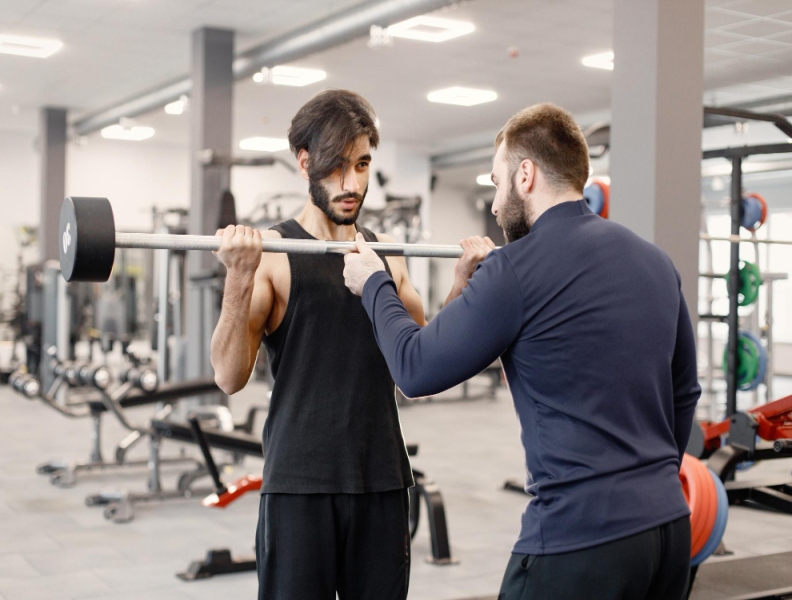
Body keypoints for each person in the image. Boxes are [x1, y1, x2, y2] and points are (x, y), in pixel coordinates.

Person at [343, 103, 701, 600]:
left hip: (580, 540)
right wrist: (652, 479)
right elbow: (685, 390)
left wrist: (374, 283)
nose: (493, 204)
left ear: (525, 175)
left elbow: (415, 369)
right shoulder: (655, 261)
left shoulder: (513, 268)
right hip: (669, 531)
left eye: (496, 182)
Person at [209, 89, 432, 599]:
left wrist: (464, 282)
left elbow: (422, 367)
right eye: (336, 167)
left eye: (361, 165)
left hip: (381, 480)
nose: (351, 184)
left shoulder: (387, 258)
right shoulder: (274, 255)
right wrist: (239, 277)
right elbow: (227, 376)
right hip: (299, 486)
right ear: (305, 162)